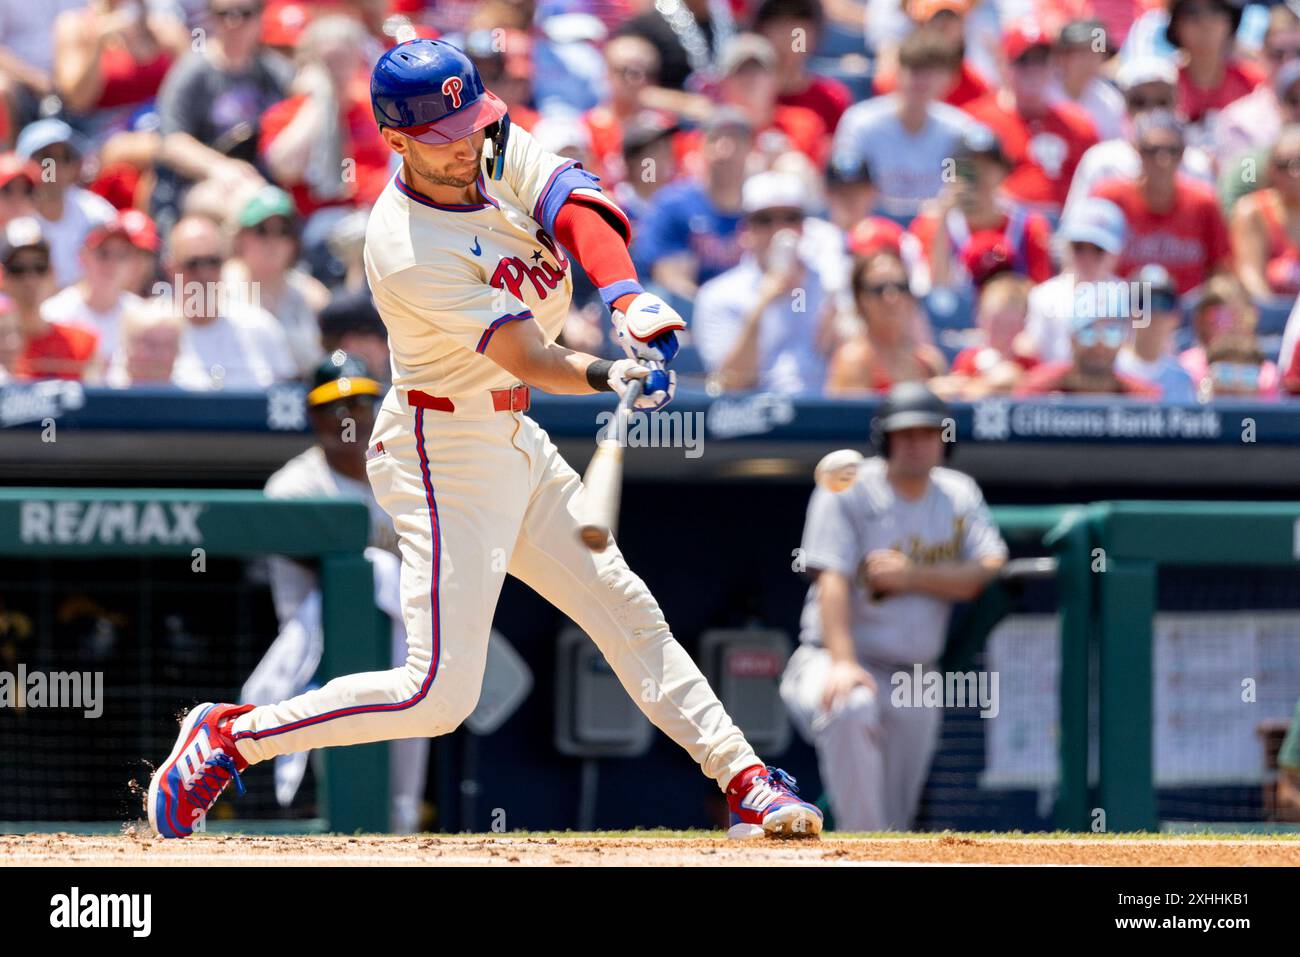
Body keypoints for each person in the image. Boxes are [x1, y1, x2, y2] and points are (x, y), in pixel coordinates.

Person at [147, 38, 823, 843]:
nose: (468, 145)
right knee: (438, 694)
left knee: (627, 609)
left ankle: (743, 778)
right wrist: (610, 374)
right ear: (395, 141)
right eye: (445, 137)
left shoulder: (485, 142)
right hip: (441, 449)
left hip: (511, 434)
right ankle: (230, 736)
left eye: (473, 123)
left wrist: (627, 297)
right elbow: (530, 358)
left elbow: (579, 201)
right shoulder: (401, 246)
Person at [780, 382, 1008, 831]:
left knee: (896, 822)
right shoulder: (849, 488)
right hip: (833, 656)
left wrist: (912, 577)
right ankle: (861, 858)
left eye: (927, 433)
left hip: (914, 676)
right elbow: (832, 579)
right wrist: (843, 663)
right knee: (850, 705)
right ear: (885, 439)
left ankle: (874, 854)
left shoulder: (958, 493)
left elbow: (987, 568)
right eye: (904, 434)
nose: (916, 444)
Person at [255, 351, 428, 834]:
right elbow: (334, 567)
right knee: (320, 786)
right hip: (316, 652)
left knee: (401, 786)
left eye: (358, 405)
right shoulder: (295, 484)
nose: (348, 418)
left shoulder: (407, 477)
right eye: (334, 408)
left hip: (404, 647)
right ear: (312, 416)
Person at [693, 171, 832, 393]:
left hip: (827, 416)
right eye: (765, 220)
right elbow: (730, 382)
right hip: (752, 418)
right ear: (746, 229)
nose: (778, 229)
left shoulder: (828, 283)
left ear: (804, 226)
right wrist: (763, 303)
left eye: (790, 218)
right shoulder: (717, 294)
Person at [153, 0, 293, 216]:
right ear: (210, 18)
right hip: (202, 182)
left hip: (265, 177)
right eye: (224, 14)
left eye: (245, 13)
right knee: (252, 203)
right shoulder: (192, 72)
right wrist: (219, 167)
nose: (234, 22)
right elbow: (171, 142)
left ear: (260, 17)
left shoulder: (273, 71)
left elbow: (303, 94)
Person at [832, 27, 977, 221]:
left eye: (933, 71)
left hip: (934, 231)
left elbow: (961, 189)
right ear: (898, 71)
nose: (923, 80)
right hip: (870, 228)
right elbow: (845, 188)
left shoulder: (959, 130)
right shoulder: (861, 123)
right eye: (916, 69)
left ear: (950, 79)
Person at [258, 14, 391, 219]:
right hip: (322, 217)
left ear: (357, 60)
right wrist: (320, 100)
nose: (337, 71)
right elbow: (285, 168)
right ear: (309, 63)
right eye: (328, 61)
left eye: (343, 59)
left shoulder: (375, 106)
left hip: (379, 209)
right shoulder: (288, 113)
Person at [962, 21, 1100, 218]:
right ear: (1004, 64)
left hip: (1066, 229)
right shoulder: (976, 119)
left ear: (1054, 65)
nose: (1033, 69)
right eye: (1023, 61)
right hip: (1002, 229)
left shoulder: (1078, 124)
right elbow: (959, 183)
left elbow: (1097, 187)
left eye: (1041, 60)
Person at [1092, 110, 1232, 294]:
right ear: (1137, 151)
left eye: (1172, 151)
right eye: (1152, 151)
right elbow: (1086, 260)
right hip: (1121, 312)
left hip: (1187, 315)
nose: (1162, 160)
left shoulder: (1203, 202)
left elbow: (1221, 270)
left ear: (1183, 155)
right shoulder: (1110, 198)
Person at [1062, 56, 1214, 220]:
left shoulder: (1196, 164)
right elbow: (1075, 228)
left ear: (1176, 104)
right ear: (1125, 106)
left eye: (1161, 102)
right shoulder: (1102, 161)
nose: (1151, 110)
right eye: (1139, 102)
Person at [908, 123, 1053, 291]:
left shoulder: (1030, 226)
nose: (978, 173)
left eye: (988, 165)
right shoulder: (929, 225)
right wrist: (943, 223)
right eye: (968, 165)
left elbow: (1040, 291)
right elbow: (935, 295)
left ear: (1003, 171)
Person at [159, 214, 297, 390]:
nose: (205, 274)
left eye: (213, 262)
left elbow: (286, 398)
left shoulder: (261, 327)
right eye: (193, 263)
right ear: (171, 268)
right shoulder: (152, 332)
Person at [635, 108, 750, 297]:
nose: (726, 150)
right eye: (716, 139)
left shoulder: (764, 209)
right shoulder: (673, 204)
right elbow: (670, 278)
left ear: (750, 149)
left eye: (736, 141)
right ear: (701, 146)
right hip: (691, 315)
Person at [224, 185, 329, 376]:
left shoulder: (312, 296)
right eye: (262, 230)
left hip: (296, 398)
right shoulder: (220, 289)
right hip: (237, 397)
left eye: (283, 231)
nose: (272, 241)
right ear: (240, 237)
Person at [51, 0, 188, 139]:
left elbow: (195, 90)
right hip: (103, 134)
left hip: (162, 124)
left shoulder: (164, 28)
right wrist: (98, 40)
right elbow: (77, 102)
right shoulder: (77, 26)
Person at [1020, 196, 1127, 362]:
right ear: (1065, 246)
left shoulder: (1131, 299)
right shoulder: (1042, 296)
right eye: (1079, 247)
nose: (1087, 257)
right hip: (1055, 386)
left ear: (1116, 253)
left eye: (1098, 250)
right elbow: (1035, 354)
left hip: (1112, 387)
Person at [826, 249, 947, 394]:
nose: (891, 297)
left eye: (900, 287)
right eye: (879, 289)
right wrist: (928, 392)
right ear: (861, 299)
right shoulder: (855, 360)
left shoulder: (929, 361)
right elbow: (853, 415)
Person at [15, 119, 117, 287]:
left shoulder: (99, 214)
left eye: (66, 157)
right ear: (24, 163)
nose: (55, 167)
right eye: (46, 157)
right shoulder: (9, 217)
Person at [41, 211, 147, 372]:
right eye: (103, 253)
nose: (112, 263)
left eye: (122, 255)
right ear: (83, 257)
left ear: (133, 264)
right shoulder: (54, 313)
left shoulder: (141, 314)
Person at [0, 217, 98, 381]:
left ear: (53, 273)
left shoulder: (81, 343)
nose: (30, 280)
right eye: (18, 269)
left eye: (40, 267)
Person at [1212, 3, 1300, 166]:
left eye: (1299, 52)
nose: (1289, 62)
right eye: (1278, 54)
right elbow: (1246, 180)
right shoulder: (1240, 121)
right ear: (1262, 56)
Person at [931, 272, 1037, 398]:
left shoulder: (1028, 361)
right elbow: (955, 394)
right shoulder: (969, 359)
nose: (998, 330)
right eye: (992, 322)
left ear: (1022, 325)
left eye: (1007, 324)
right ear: (980, 319)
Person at [753, 0, 853, 132]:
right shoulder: (742, 92)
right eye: (778, 21)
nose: (789, 33)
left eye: (799, 20)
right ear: (761, 31)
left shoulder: (832, 99)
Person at [872, 0, 992, 108]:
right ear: (919, 25)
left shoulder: (977, 88)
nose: (944, 26)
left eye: (951, 19)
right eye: (936, 19)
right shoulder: (896, 83)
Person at [1179, 272, 1280, 397]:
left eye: (1242, 316)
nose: (1233, 326)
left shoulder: (1267, 374)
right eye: (1223, 317)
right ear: (1201, 319)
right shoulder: (1184, 369)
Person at [1166, 0, 1264, 128]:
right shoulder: (1165, 83)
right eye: (1191, 12)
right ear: (1176, 25)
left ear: (1230, 22)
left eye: (1216, 10)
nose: (1205, 22)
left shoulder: (1253, 83)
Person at [1230, 124, 1300, 300]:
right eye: (1283, 165)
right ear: (1270, 170)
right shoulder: (1252, 211)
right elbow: (1250, 277)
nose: (1294, 173)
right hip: (1271, 319)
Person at [1016, 310, 1161, 395]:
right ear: (1071, 337)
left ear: (1124, 339)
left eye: (1112, 331)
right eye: (1088, 331)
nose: (1100, 342)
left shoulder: (1143, 398)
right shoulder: (1037, 391)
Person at [1115, 263, 1197, 401]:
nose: (1154, 312)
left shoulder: (1183, 379)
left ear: (1176, 316)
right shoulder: (1110, 371)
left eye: (1163, 303)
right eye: (1143, 303)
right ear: (1129, 312)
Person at [1050, 19, 1126, 142]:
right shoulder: (1043, 92)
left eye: (1097, 53)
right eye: (1082, 52)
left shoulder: (1109, 100)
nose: (1090, 60)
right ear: (1062, 57)